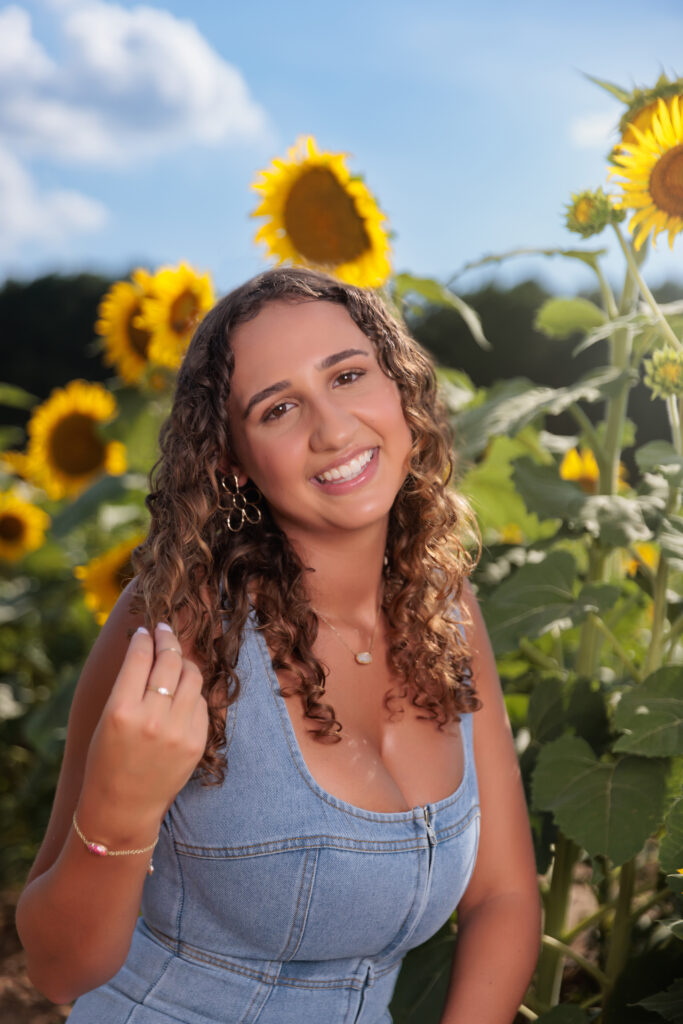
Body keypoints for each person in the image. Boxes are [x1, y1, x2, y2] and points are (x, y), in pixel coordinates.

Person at [16, 267, 541, 1023]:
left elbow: (502, 896)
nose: (331, 429)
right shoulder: (177, 623)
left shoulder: (444, 606)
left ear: (399, 387)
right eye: (279, 408)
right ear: (231, 459)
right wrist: (119, 809)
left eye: (349, 375)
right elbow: (59, 972)